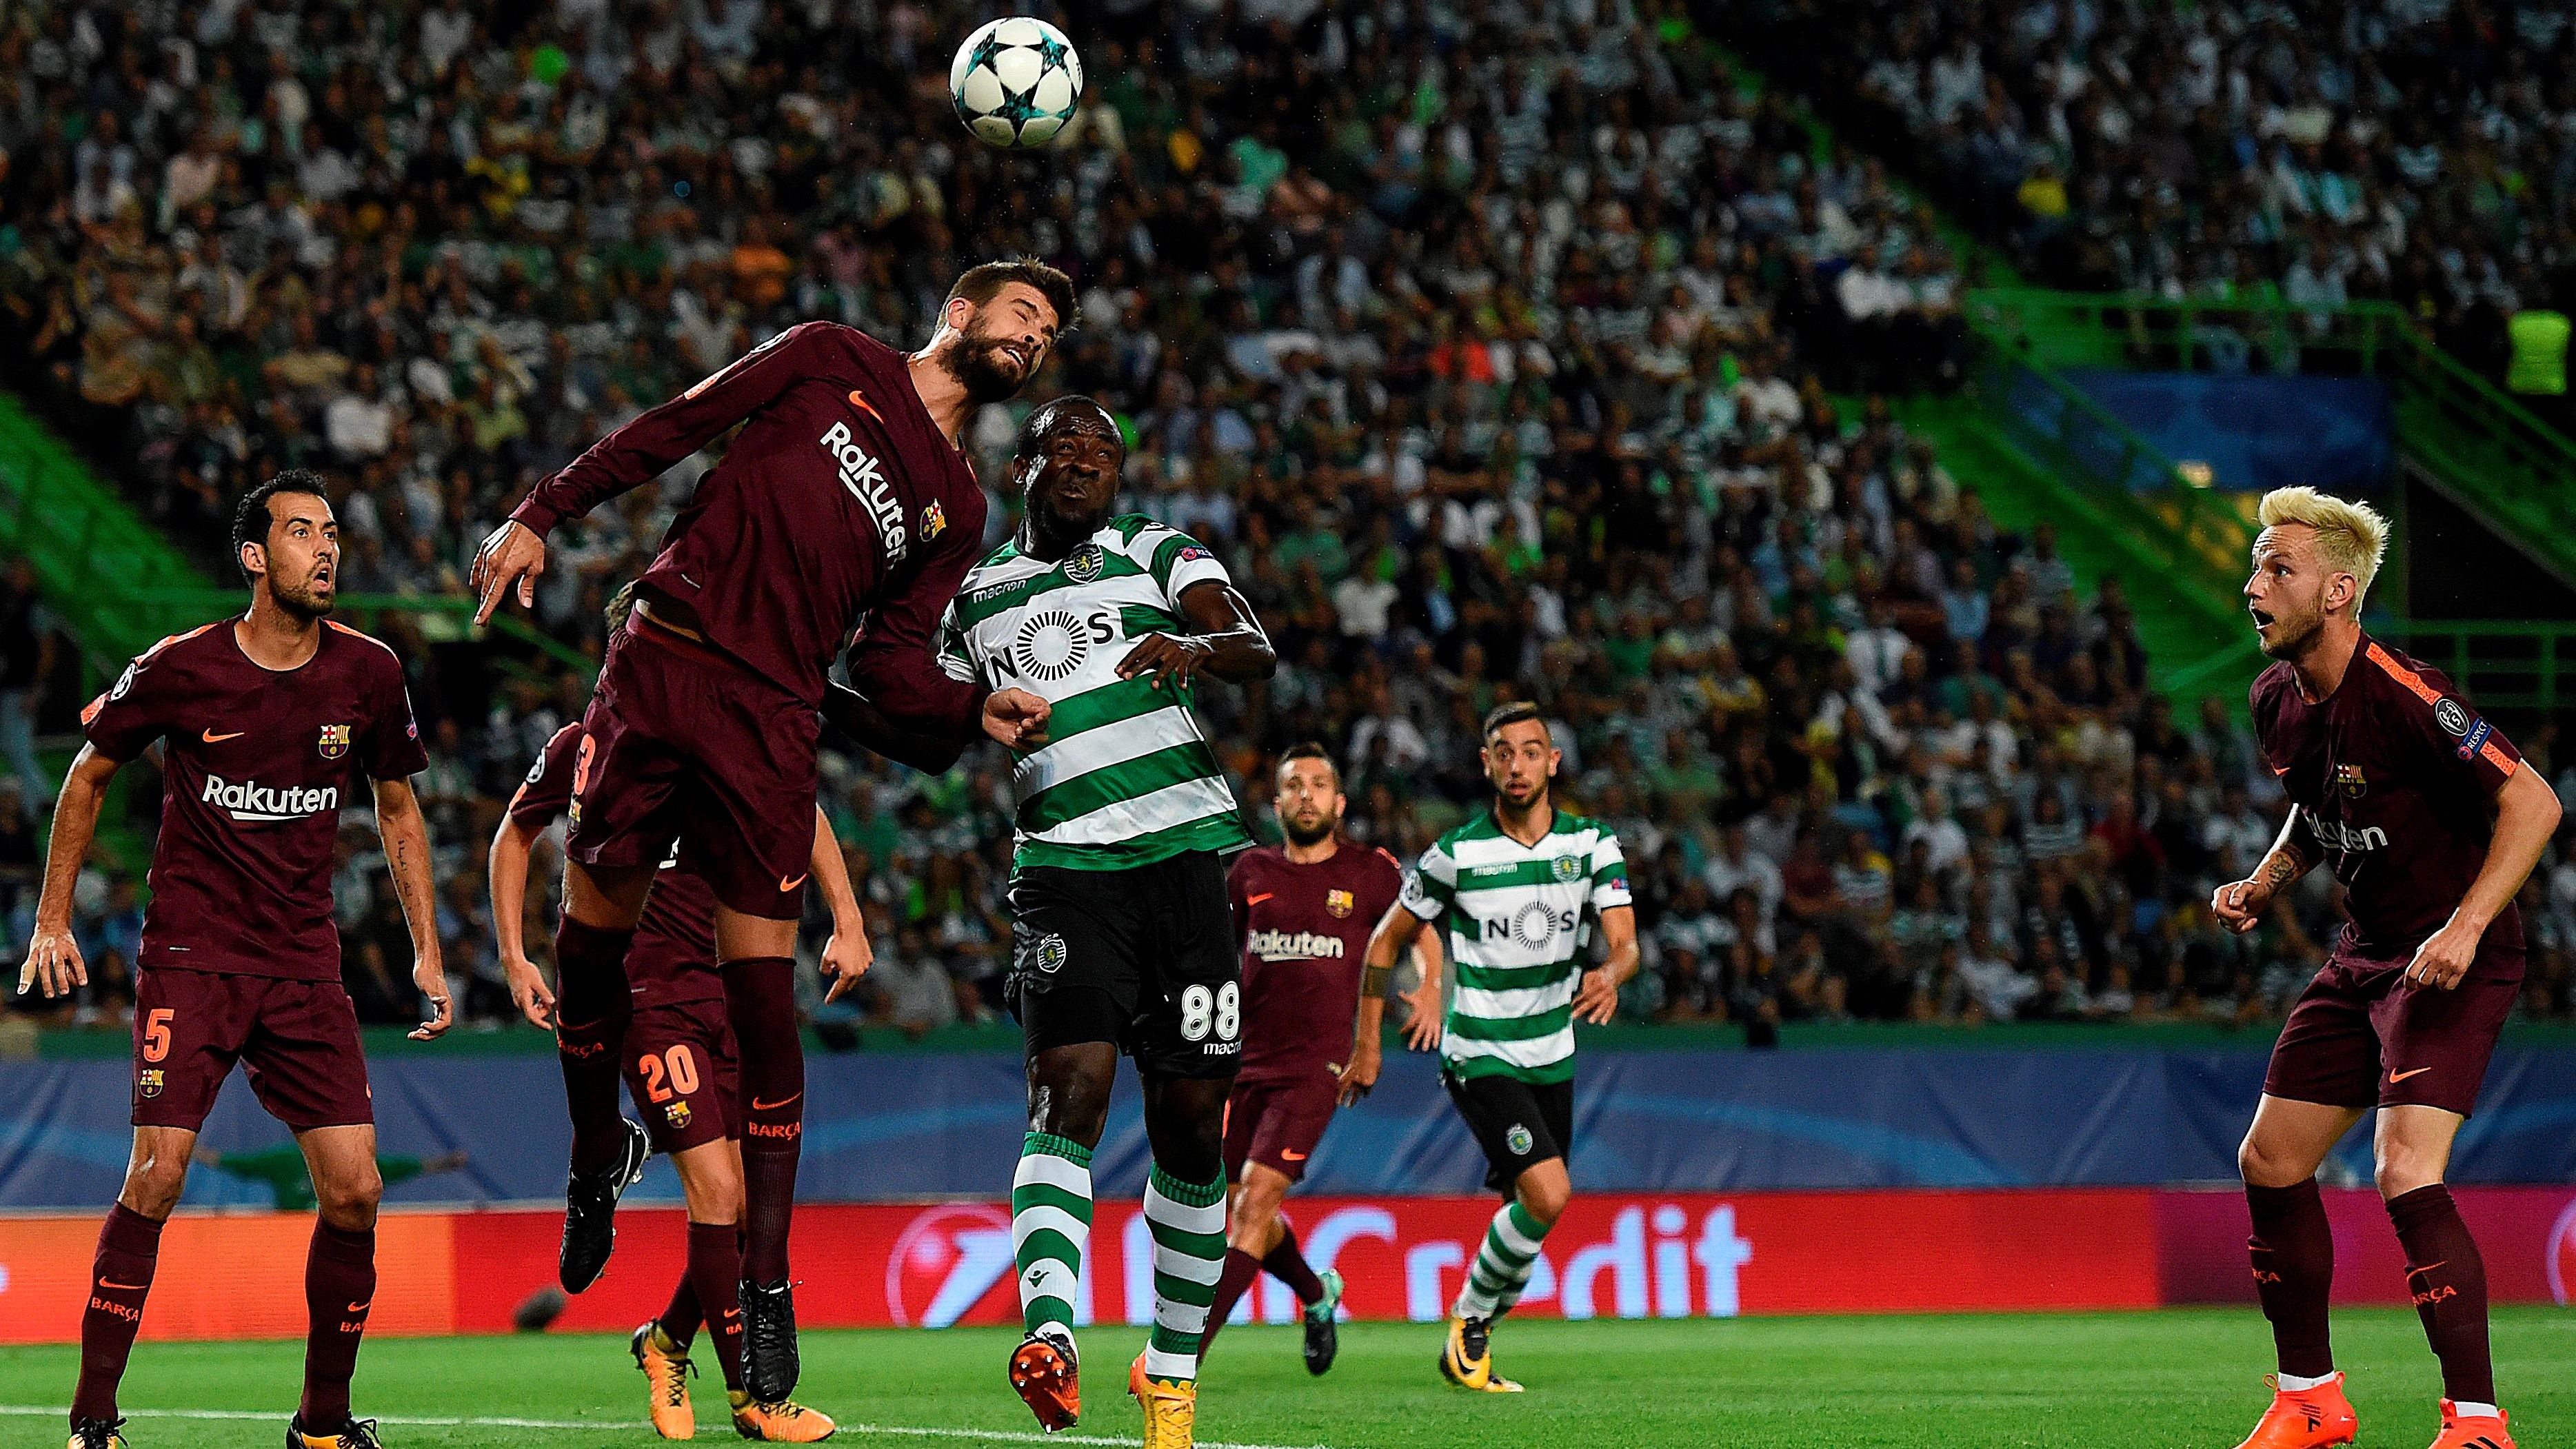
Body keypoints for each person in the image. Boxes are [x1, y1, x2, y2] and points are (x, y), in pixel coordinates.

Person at [467, 261, 1063, 1401]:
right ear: (959, 310)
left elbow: (886, 660)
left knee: (765, 1004)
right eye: (1023, 314)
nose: (1034, 338)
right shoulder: (830, 355)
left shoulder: (961, 508)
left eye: (1048, 333)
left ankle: (768, 1287)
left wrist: (963, 704)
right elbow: (675, 425)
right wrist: (542, 512)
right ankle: (597, 1157)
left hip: (774, 717)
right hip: (670, 655)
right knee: (589, 952)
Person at [19, 473, 446, 1449]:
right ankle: (91, 1421)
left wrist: (426, 950)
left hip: (304, 963)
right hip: (192, 954)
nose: (325, 549)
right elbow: (89, 776)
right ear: (255, 557)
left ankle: (323, 1425)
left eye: (331, 532)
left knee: (357, 1188)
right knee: (158, 1175)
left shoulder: (371, 672)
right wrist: (54, 919)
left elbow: (398, 803)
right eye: (301, 533)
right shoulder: (182, 666)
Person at [925, 396, 1274, 1449]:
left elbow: (1250, 640)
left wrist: (1199, 649)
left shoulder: (1157, 548)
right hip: (1065, 872)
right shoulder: (974, 597)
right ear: (1023, 463)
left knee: (1190, 1129)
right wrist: (804, 689)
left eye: (1104, 452)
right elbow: (926, 720)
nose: (1085, 463)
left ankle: (1170, 1377)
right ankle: (1050, 1332)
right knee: (1067, 1090)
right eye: (1065, 447)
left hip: (1183, 867)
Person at [2215, 487, 2558, 1449]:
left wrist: (2465, 925)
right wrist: (2272, 874)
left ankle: (2479, 1422)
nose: (2253, 586)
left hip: (2452, 958)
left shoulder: (2407, 690)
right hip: (2364, 955)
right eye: (2256, 566)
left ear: (2336, 591)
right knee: (2270, 1158)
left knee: (2405, 1169)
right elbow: (2321, 801)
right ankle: (2310, 1398)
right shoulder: (2274, 698)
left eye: (2276, 569)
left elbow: (2534, 803)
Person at [490, 594, 859, 1442]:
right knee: (721, 1191)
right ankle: (755, 1399)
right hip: (650, 1004)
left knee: (740, 1206)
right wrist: (514, 954)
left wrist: (849, 915)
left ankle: (663, 1341)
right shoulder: (588, 745)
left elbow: (799, 808)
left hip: (736, 996)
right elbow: (516, 833)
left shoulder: (731, 732)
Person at [1358, 702, 1638, 1393]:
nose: (1517, 764)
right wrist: (1374, 1036)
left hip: (1553, 1052)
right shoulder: (1455, 855)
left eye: (1531, 750)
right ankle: (1470, 1320)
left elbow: (1627, 939)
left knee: (1533, 1206)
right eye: (1503, 752)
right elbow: (1384, 939)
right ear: (1486, 764)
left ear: (1553, 761)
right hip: (1479, 1048)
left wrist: (1613, 969)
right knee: (1549, 1193)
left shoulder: (1593, 842)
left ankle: (1474, 1339)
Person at [1196, 744, 1405, 1374]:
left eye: (1320, 783)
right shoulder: (1250, 873)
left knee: (1254, 1205)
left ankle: (1178, 1365)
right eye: (1295, 785)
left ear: (1339, 803)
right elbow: (1215, 958)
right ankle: (1317, 1295)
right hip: (1243, 1062)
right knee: (1235, 1209)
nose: (1307, 794)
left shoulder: (1371, 872)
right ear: (1278, 802)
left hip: (1318, 1066)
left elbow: (1417, 932)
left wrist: (1427, 986)